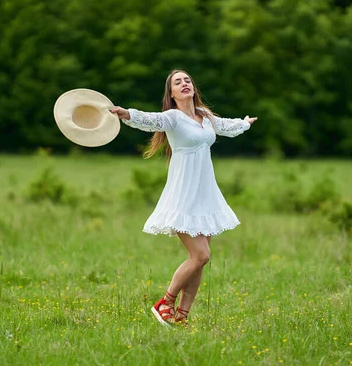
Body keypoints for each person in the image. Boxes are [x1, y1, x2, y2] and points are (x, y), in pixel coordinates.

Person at [110, 70, 257, 326]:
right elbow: (150, 119)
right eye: (177, 82)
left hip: (205, 194)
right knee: (200, 255)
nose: (184, 84)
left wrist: (244, 123)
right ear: (172, 93)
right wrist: (127, 114)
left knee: (201, 259)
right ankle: (164, 302)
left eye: (187, 80)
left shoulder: (205, 117)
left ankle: (182, 316)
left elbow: (226, 126)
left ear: (193, 87)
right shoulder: (173, 118)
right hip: (183, 195)